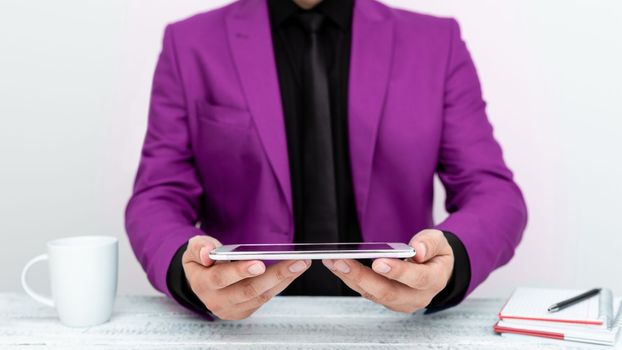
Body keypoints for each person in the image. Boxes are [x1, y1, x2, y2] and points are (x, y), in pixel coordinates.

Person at [126, 0, 527, 321]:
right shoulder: (191, 43)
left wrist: (450, 262)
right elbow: (157, 196)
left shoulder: (436, 42)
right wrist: (184, 270)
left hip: (393, 324)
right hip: (247, 326)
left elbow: (492, 192)